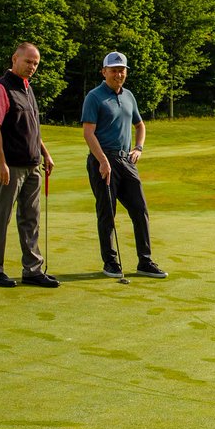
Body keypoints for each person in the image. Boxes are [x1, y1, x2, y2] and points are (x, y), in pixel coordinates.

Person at [82, 51, 167, 279]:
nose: (118, 74)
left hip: (126, 161)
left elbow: (140, 125)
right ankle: (110, 262)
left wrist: (138, 148)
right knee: (107, 213)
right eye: (114, 70)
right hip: (102, 159)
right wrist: (102, 161)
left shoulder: (129, 96)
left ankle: (145, 261)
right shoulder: (94, 96)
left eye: (122, 70)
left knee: (140, 210)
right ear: (104, 72)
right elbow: (88, 133)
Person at [0, 43, 59, 288]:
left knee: (30, 219)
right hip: (11, 166)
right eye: (28, 61)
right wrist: (1, 162)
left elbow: (33, 129)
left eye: (35, 63)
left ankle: (33, 270)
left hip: (33, 165)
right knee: (0, 217)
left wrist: (45, 154)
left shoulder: (28, 89)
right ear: (15, 58)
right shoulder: (0, 88)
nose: (32, 67)